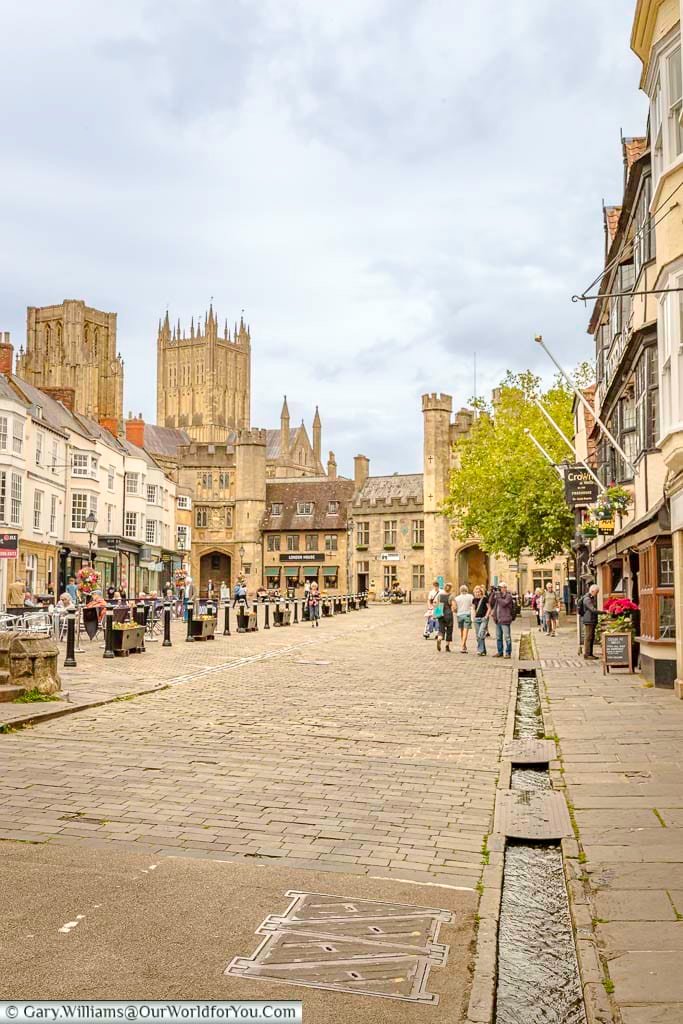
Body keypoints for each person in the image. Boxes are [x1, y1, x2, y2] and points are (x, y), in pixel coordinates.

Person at [489, 581, 514, 659]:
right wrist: (493, 593)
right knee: (499, 637)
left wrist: (498, 596)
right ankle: (500, 652)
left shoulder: (508, 596)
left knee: (507, 637)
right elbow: (491, 602)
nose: (499, 589)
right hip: (498, 619)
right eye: (499, 588)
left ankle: (508, 653)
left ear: (504, 588)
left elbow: (503, 603)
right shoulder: (498, 595)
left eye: (500, 588)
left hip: (505, 619)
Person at [581, 584, 600, 660]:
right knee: (588, 637)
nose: (597, 594)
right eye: (596, 592)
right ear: (592, 591)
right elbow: (592, 609)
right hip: (589, 620)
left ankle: (590, 653)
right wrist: (603, 612)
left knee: (591, 637)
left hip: (591, 620)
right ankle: (587, 654)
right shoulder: (587, 599)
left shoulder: (591, 598)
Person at [435, 582, 455, 653]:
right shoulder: (451, 596)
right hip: (448, 614)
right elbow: (453, 606)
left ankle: (439, 638)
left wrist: (436, 613)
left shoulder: (439, 595)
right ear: (450, 588)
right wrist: (454, 610)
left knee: (441, 628)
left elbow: (436, 604)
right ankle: (447, 646)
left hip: (441, 614)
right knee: (449, 629)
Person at [454, 584, 474, 653]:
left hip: (459, 615)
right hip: (467, 615)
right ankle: (462, 646)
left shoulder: (457, 598)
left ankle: (464, 645)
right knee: (465, 632)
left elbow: (455, 608)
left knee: (462, 631)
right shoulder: (470, 597)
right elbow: (472, 605)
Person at [472, 585, 490, 656]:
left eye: (478, 592)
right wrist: (473, 617)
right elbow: (473, 608)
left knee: (480, 634)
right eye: (476, 592)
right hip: (476, 619)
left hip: (483, 619)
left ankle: (480, 650)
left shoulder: (484, 598)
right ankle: (483, 650)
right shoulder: (474, 599)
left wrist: (486, 616)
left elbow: (489, 608)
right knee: (478, 636)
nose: (477, 593)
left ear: (481, 592)